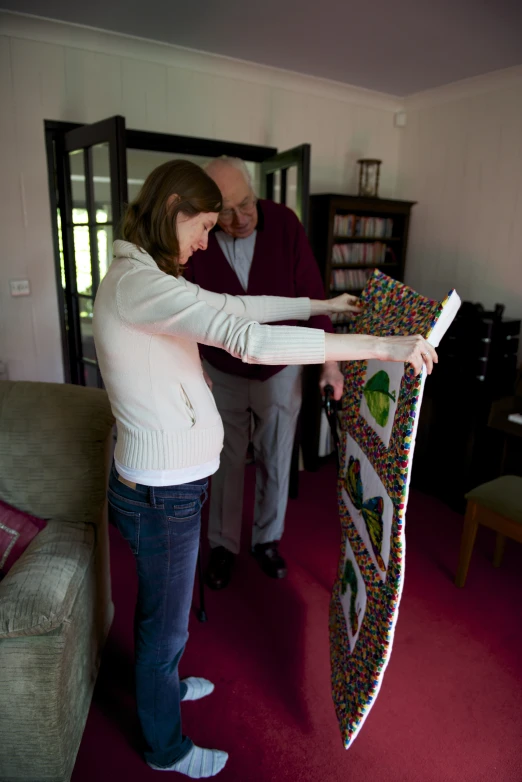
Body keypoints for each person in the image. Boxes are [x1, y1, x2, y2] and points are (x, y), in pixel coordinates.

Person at [93, 159, 437, 777]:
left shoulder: (142, 275)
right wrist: (383, 348)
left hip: (166, 489)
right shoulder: (138, 284)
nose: (205, 240)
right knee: (163, 630)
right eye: (200, 226)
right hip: (160, 494)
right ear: (172, 207)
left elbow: (235, 304)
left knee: (164, 623)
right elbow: (246, 337)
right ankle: (166, 748)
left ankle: (164, 685)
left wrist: (318, 302)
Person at [184, 157, 343, 589]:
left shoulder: (284, 223)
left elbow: (312, 293)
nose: (240, 219)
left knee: (276, 456)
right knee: (227, 462)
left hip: (281, 368)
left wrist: (330, 362)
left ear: (256, 192)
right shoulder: (199, 238)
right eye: (226, 213)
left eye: (247, 204)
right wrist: (196, 366)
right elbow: (189, 309)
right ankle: (223, 545)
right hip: (222, 370)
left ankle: (266, 540)